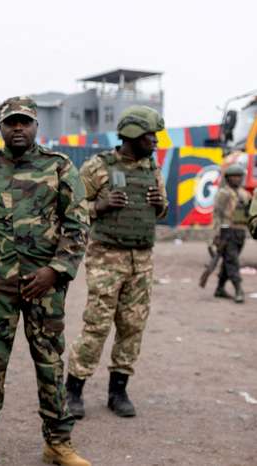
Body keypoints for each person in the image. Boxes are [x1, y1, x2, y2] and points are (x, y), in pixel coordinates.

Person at [0, 96, 90, 466]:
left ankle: (58, 442)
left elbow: (78, 225)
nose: (18, 128)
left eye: (25, 122)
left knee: (49, 363)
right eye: (11, 122)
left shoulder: (59, 168)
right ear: (0, 128)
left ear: (35, 127)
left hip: (44, 287)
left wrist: (55, 270)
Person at [65, 105, 168, 421]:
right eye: (151, 136)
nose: (156, 142)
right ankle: (74, 389)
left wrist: (159, 204)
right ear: (134, 134)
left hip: (142, 260)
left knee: (132, 326)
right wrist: (100, 204)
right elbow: (71, 205)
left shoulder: (151, 168)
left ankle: (118, 390)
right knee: (97, 324)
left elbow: (160, 211)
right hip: (107, 259)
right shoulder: (99, 167)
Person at [209, 164, 251, 302]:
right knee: (232, 262)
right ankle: (239, 289)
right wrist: (216, 235)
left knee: (228, 262)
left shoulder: (245, 194)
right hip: (227, 232)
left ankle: (220, 288)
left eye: (239, 176)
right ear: (227, 178)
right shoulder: (223, 193)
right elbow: (217, 215)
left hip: (240, 232)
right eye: (233, 176)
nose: (236, 179)